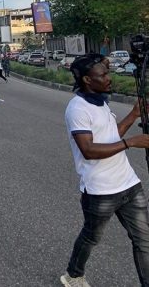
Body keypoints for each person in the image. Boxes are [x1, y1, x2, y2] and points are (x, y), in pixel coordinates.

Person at [59, 54, 149, 287]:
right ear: (88, 80)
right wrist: (131, 142)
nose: (109, 78)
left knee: (144, 241)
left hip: (129, 183)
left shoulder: (101, 102)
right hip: (101, 190)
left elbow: (111, 136)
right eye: (103, 75)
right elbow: (88, 149)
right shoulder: (78, 108)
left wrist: (133, 114)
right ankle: (73, 275)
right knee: (91, 236)